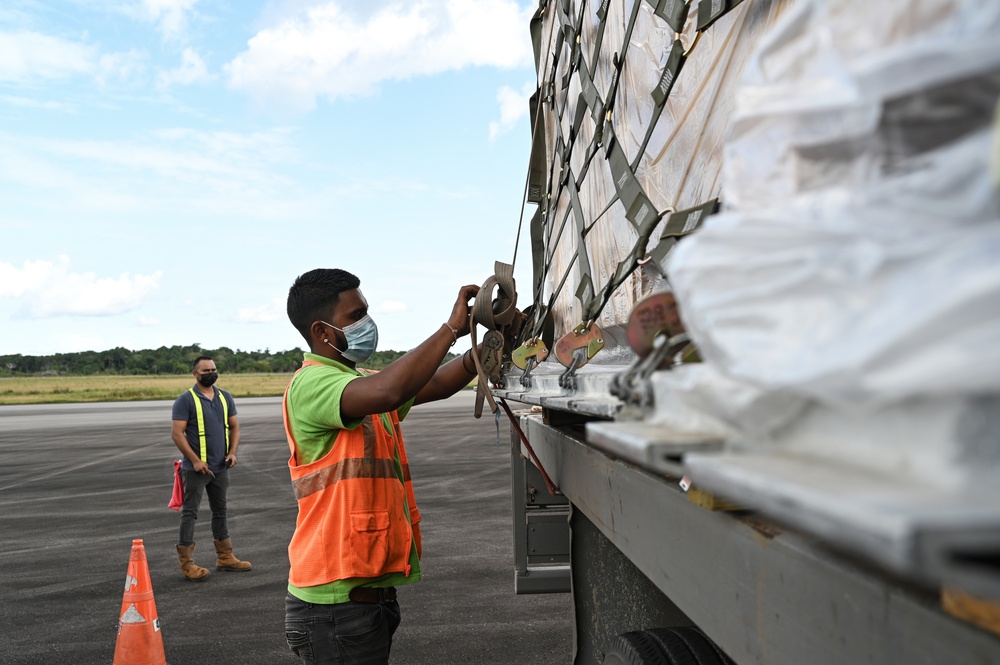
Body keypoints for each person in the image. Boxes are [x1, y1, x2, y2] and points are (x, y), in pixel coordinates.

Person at [282, 268, 482, 664]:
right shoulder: (313, 385)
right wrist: (451, 329)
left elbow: (437, 383)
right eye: (355, 316)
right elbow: (392, 388)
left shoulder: (356, 381)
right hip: (334, 608)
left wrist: (489, 344)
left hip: (363, 605)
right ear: (322, 332)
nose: (367, 324)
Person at [170, 355, 252, 581]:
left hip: (220, 467)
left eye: (214, 369)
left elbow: (234, 426)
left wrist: (233, 452)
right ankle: (187, 563)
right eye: (206, 371)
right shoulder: (185, 400)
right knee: (190, 513)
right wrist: (195, 460)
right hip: (195, 470)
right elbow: (177, 434)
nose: (211, 373)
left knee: (220, 511)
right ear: (195, 374)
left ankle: (225, 557)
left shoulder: (225, 397)